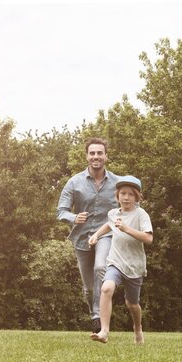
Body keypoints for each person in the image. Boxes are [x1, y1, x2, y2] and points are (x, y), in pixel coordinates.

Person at [57, 137, 120, 334]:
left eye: (99, 153)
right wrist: (74, 218)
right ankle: (95, 314)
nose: (96, 156)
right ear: (87, 156)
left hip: (106, 235)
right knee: (88, 286)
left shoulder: (118, 183)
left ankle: (98, 319)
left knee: (101, 267)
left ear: (106, 156)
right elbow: (61, 211)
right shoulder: (74, 182)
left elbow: (129, 206)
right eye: (92, 153)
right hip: (82, 237)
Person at [88, 176, 153, 345]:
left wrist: (126, 228)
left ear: (137, 196)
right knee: (106, 288)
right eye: (123, 193)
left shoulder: (141, 215)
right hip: (115, 261)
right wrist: (96, 235)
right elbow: (108, 224)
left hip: (134, 266)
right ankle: (104, 331)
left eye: (130, 194)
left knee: (132, 304)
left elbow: (148, 238)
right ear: (117, 196)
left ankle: (137, 328)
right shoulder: (113, 213)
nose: (126, 197)